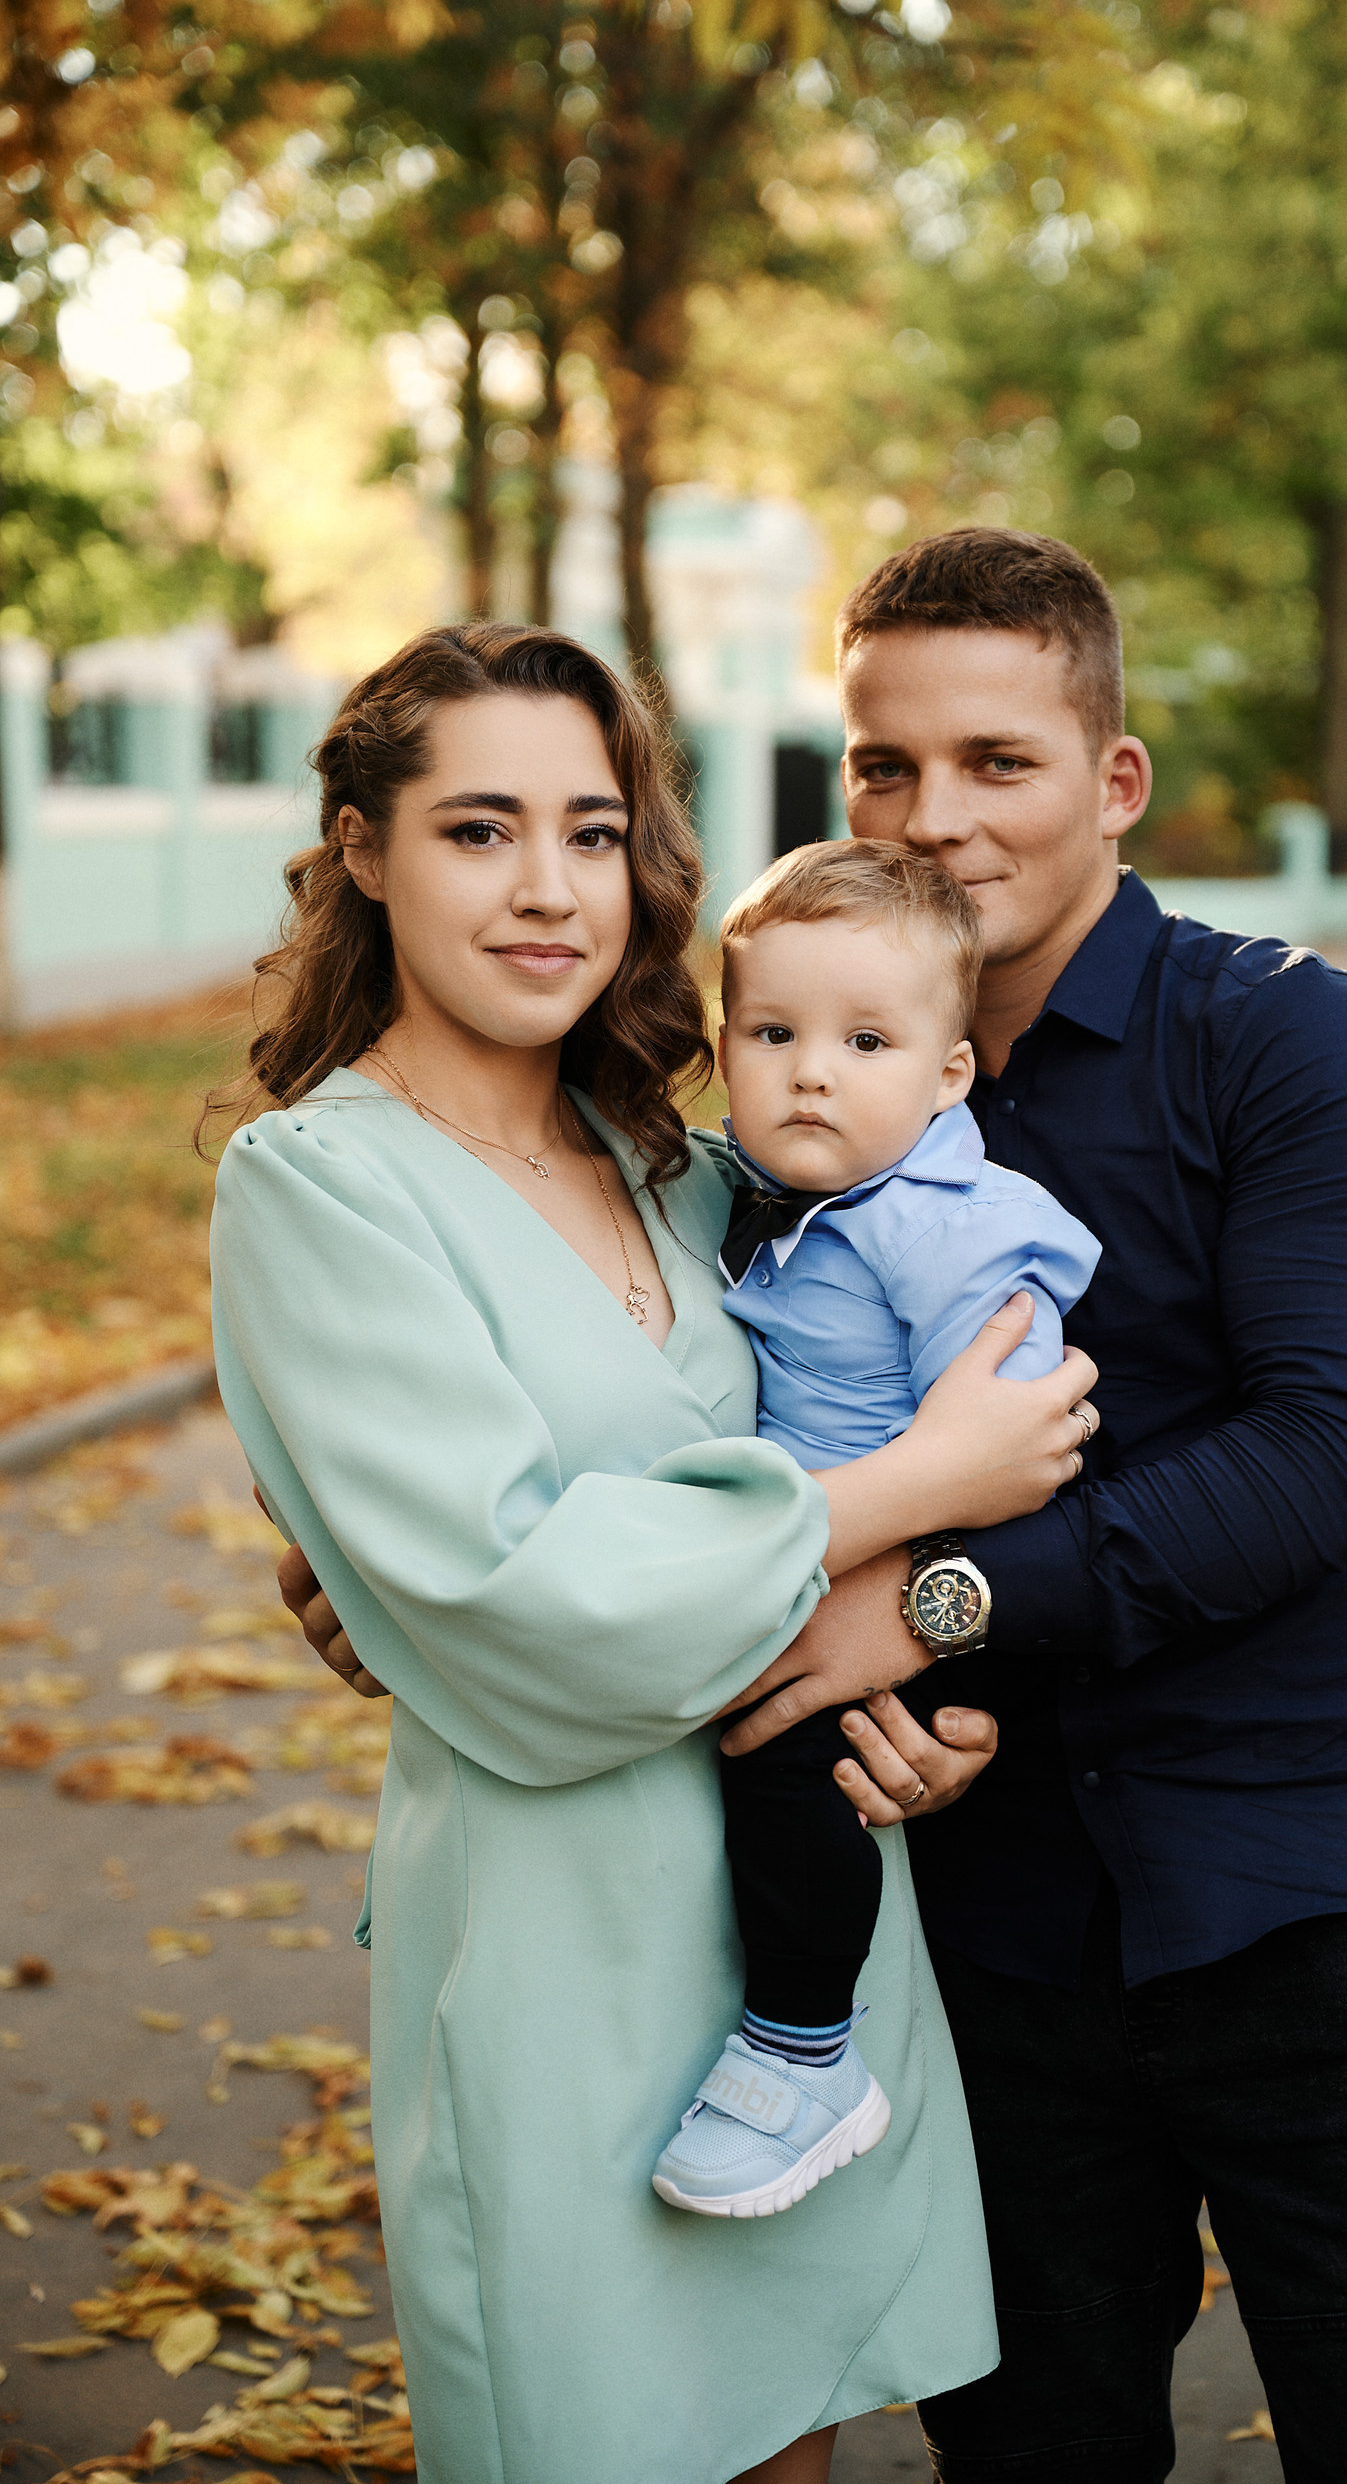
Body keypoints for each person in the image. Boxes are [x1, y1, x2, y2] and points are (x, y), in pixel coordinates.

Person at [714, 528, 1347, 2484]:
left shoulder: (1294, 1043)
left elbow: (1343, 1456)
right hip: (989, 1945)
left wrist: (929, 1605)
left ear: (1115, 780)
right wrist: (397, 1569)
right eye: (885, 764)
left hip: (1323, 1913)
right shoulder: (798, 1097)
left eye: (997, 762)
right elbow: (629, 1368)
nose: (933, 819)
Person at [207, 619, 1098, 2484]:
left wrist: (920, 1696)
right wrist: (925, 1483)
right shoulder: (322, 1185)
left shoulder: (687, 1170)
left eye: (594, 833)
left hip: (801, 1948)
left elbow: (803, 1480)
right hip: (565, 1943)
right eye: (480, 829)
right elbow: (523, 1601)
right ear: (364, 848)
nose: (549, 889)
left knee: (795, 2433)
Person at [652, 837, 1100, 2219]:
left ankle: (804, 2051)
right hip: (816, 1552)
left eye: (864, 1042)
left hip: (918, 1586)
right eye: (773, 1034)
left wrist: (919, 1594)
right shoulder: (785, 1195)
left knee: (791, 1760)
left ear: (948, 1074)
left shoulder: (951, 1227)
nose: (813, 1074)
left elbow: (1013, 1441)